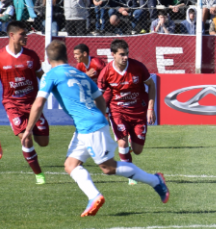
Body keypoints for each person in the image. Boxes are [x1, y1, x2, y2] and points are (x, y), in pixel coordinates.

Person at [24, 40, 168, 217]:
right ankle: (94, 196)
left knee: (108, 168)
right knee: (71, 165)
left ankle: (156, 181)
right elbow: (100, 100)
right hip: (87, 125)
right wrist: (97, 118)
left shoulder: (51, 75)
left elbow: (38, 104)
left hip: (89, 126)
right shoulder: (80, 73)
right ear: (68, 56)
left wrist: (29, 129)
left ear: (47, 58)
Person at [96, 39, 156, 185]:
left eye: (127, 54)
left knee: (137, 150)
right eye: (122, 54)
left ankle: (131, 140)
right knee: (122, 144)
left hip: (138, 112)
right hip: (118, 111)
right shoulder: (106, 72)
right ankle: (131, 175)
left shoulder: (138, 67)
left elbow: (151, 85)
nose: (125, 57)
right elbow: (99, 96)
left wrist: (150, 108)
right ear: (113, 55)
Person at [0, 23, 48, 184]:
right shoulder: (1, 57)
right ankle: (39, 175)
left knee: (43, 142)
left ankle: (33, 128)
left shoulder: (31, 55)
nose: (25, 37)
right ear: (12, 35)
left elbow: (42, 75)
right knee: (25, 138)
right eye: (22, 34)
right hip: (12, 105)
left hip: (33, 105)